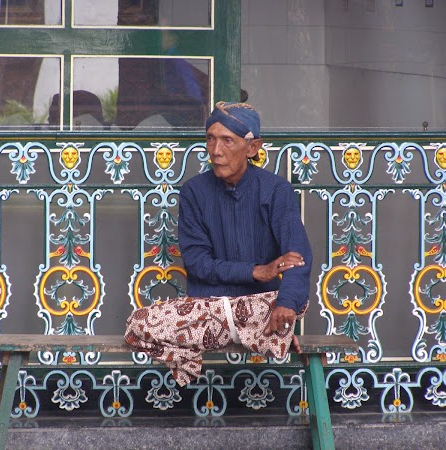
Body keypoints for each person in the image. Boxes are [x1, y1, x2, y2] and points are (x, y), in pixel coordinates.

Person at [125, 101, 312, 386]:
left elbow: (297, 256)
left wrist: (286, 304)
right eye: (210, 139)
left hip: (260, 308)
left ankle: (268, 329)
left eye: (227, 140)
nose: (215, 151)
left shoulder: (276, 190)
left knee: (282, 303)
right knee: (137, 325)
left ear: (252, 148)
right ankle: (258, 337)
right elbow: (198, 264)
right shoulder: (194, 192)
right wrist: (255, 271)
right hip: (209, 311)